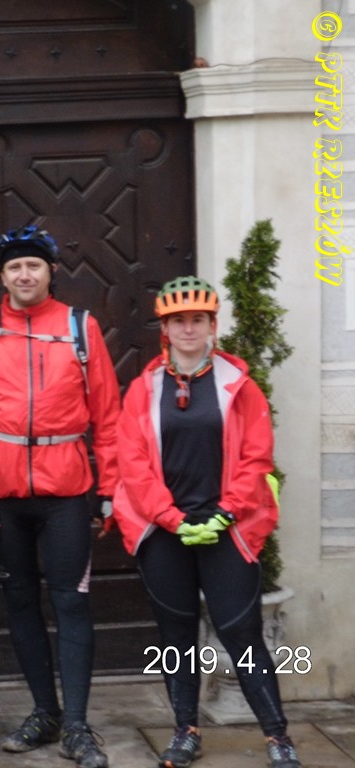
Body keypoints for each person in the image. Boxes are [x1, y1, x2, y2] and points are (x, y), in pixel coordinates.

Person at [0, 224, 120, 768]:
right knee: (19, 603)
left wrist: (110, 488)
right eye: (15, 267)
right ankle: (45, 712)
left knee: (71, 604)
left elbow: (108, 416)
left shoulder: (79, 327)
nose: (24, 275)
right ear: (2, 276)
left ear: (51, 272)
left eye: (34, 266)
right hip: (1, 498)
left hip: (65, 494)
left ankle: (77, 727)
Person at [112, 276, 301, 768]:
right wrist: (171, 518)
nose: (189, 329)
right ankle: (185, 731)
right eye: (178, 321)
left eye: (198, 320)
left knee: (242, 633)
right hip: (165, 531)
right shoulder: (143, 390)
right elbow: (133, 464)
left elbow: (257, 459)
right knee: (176, 637)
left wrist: (226, 512)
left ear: (213, 326)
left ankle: (278, 737)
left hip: (227, 528)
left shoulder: (240, 386)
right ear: (165, 329)